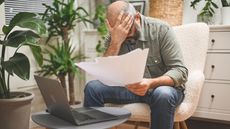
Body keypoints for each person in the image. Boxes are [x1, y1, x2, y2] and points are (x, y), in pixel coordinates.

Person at [84, 1, 188, 129]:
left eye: (127, 30)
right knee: (92, 88)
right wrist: (116, 42)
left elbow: (180, 71)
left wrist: (150, 83)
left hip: (160, 88)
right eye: (117, 30)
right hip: (131, 89)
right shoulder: (115, 35)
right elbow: (104, 74)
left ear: (137, 18)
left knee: (163, 94)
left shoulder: (161, 29)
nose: (123, 34)